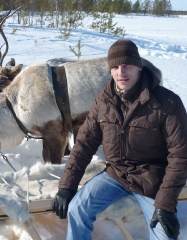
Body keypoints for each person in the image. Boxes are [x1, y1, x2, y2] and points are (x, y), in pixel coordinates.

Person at [52, 39, 187, 240]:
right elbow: (84, 144)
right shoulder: (104, 100)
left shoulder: (168, 103)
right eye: (115, 67)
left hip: (153, 179)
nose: (121, 72)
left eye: (127, 65)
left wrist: (165, 205)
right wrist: (67, 186)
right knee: (77, 208)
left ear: (139, 67)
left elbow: (180, 156)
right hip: (117, 175)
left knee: (165, 234)